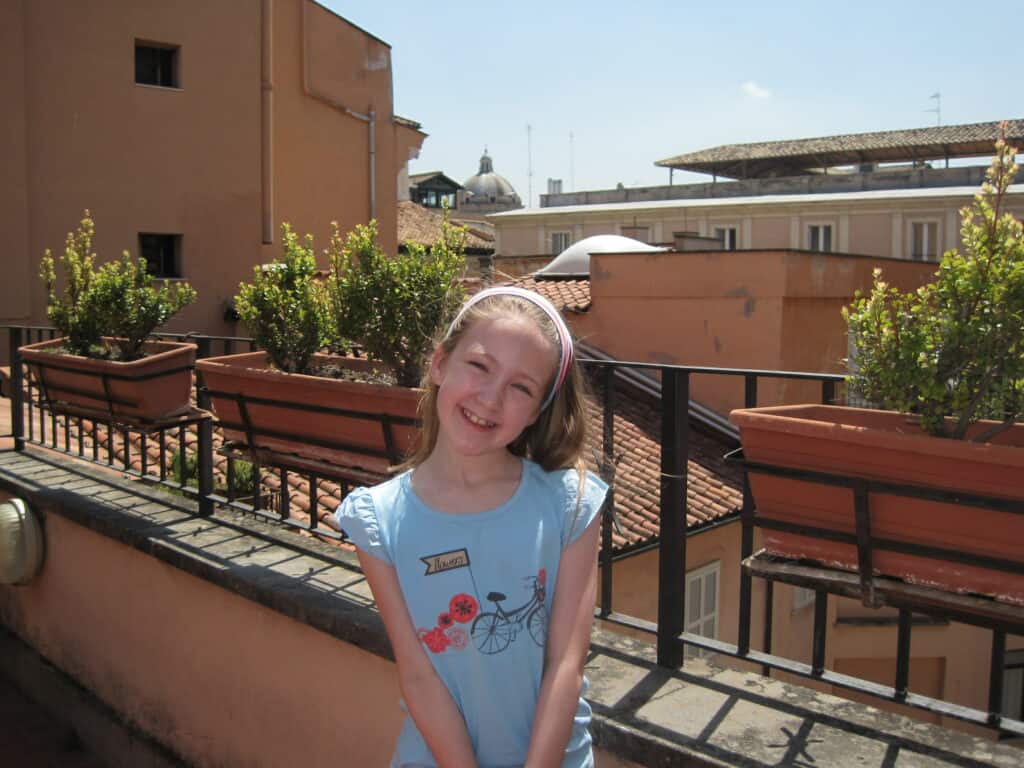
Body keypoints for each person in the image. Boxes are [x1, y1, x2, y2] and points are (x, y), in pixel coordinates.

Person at [335, 286, 609, 768]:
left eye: (521, 387)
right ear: (440, 364)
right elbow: (419, 677)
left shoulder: (570, 505)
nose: (491, 397)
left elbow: (565, 664)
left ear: (536, 412)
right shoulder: (378, 521)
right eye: (480, 366)